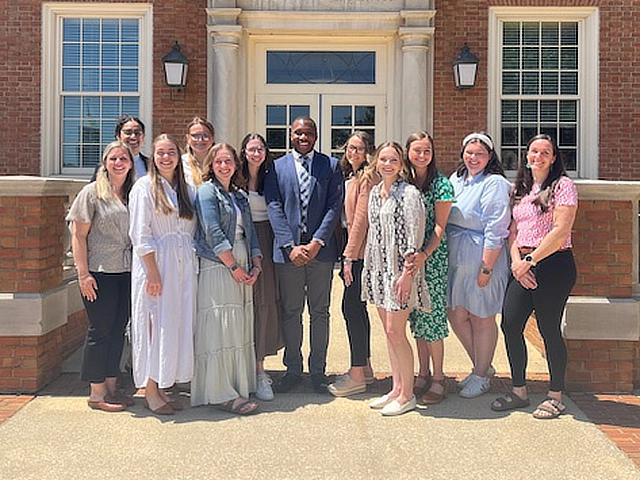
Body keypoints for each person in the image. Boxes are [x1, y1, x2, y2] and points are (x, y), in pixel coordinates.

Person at [491, 134, 577, 419]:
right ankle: (519, 392)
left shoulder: (563, 186)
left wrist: (530, 261)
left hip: (553, 264)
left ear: (553, 158)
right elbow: (513, 232)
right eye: (533, 152)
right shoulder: (522, 189)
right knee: (511, 324)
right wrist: (518, 263)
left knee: (548, 328)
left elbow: (560, 230)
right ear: (526, 156)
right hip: (524, 264)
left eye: (544, 152)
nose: (537, 156)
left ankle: (555, 396)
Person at [264, 116, 343, 394]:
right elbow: (273, 205)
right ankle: (293, 369)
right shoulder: (276, 168)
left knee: (320, 312)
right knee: (291, 311)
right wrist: (289, 245)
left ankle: (318, 372)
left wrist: (318, 242)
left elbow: (334, 206)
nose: (303, 137)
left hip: (320, 254)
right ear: (290, 136)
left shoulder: (331, 166)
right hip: (289, 255)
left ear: (316, 136)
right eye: (298, 133)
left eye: (308, 133)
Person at [191, 143, 262, 415]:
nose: (224, 166)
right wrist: (233, 266)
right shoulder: (207, 191)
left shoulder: (239, 195)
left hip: (242, 261)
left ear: (235, 164)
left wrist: (255, 264)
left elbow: (250, 232)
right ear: (211, 164)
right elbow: (212, 231)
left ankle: (236, 386)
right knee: (220, 328)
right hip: (220, 264)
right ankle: (221, 393)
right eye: (219, 161)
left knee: (238, 329)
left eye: (228, 161)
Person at [129, 134, 197, 415]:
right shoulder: (144, 188)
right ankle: (150, 389)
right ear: (153, 156)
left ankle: (165, 383)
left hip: (183, 267)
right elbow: (140, 234)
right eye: (160, 153)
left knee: (176, 325)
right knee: (155, 325)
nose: (166, 157)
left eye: (171, 152)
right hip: (157, 266)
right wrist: (154, 273)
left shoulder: (185, 189)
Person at [67, 141, 136, 413]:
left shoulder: (131, 194)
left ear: (131, 164)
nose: (118, 163)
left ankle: (111, 386)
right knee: (100, 330)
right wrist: (83, 274)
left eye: (124, 159)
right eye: (113, 159)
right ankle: (96, 393)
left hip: (126, 272)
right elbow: (78, 235)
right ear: (105, 163)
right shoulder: (92, 193)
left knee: (119, 330)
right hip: (100, 273)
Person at [364, 141, 429, 416]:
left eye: (393, 160)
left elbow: (414, 238)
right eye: (383, 159)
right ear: (376, 162)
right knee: (389, 334)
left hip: (400, 272)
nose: (387, 164)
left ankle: (407, 395)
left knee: (396, 332)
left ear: (401, 164)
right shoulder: (376, 192)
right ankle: (395, 387)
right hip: (379, 270)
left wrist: (406, 275)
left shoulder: (409, 194)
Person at [447, 132, 511, 399]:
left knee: (482, 315)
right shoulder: (456, 179)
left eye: (480, 154)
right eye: (470, 153)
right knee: (456, 313)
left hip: (482, 254)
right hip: (456, 254)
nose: (474, 158)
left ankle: (481, 374)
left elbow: (496, 228)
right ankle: (482, 365)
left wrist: (487, 268)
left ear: (490, 157)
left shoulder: (494, 183)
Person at [404, 132, 455, 405]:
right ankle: (421, 373)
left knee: (433, 319)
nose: (422, 155)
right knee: (417, 319)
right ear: (408, 152)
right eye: (417, 150)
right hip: (411, 260)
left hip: (432, 259)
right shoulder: (405, 182)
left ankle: (438, 378)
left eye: (427, 151)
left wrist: (425, 254)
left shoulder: (441, 184)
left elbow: (440, 227)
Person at [327, 131, 376, 397]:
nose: (353, 153)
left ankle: (357, 375)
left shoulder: (367, 178)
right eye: (350, 148)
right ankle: (364, 367)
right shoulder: (351, 176)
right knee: (356, 309)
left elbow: (360, 220)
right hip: (353, 248)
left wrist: (349, 256)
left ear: (368, 152)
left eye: (359, 149)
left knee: (352, 308)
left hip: (360, 252)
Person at [239, 133, 283, 402]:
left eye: (260, 149)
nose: (256, 154)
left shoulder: (272, 179)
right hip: (240, 240)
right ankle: (238, 370)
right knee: (239, 304)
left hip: (266, 241)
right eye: (251, 149)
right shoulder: (234, 178)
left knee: (263, 303)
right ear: (243, 152)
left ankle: (259, 370)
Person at [91, 115, 149, 181]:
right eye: (128, 133)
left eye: (137, 133)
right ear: (118, 136)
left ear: (143, 137)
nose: (133, 137)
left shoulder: (151, 165)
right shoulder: (104, 167)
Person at [182, 117, 215, 187]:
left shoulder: (220, 162)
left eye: (205, 135)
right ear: (188, 138)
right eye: (195, 136)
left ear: (213, 138)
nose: (200, 140)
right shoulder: (181, 164)